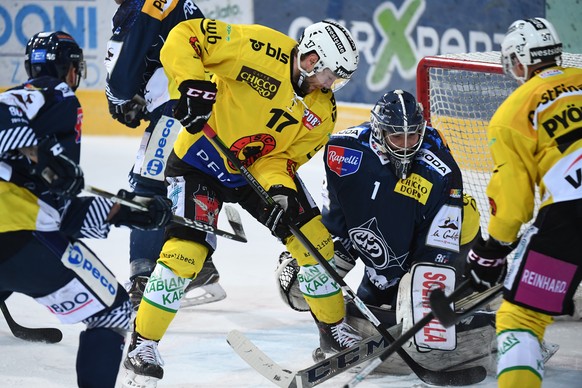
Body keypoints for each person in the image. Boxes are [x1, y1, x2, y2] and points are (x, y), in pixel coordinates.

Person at [120, 18, 359, 386]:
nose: (331, 85)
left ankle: (333, 330)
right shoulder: (259, 48)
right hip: (200, 162)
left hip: (257, 172)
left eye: (338, 80)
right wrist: (190, 85)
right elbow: (185, 37)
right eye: (330, 75)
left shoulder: (323, 111)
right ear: (310, 58)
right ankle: (142, 345)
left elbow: (284, 159)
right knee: (186, 254)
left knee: (317, 244)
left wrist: (279, 189)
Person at [0, 31, 173, 388]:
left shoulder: (41, 126)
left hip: (21, 232)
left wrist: (124, 213)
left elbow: (57, 213)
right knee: (113, 311)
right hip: (15, 233)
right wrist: (39, 155)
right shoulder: (54, 94)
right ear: (69, 68)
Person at [277, 89, 483, 360]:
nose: (407, 144)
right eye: (398, 136)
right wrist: (324, 255)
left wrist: (426, 288)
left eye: (413, 136)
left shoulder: (441, 168)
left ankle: (470, 280)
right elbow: (337, 217)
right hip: (377, 249)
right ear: (379, 132)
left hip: (419, 251)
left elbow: (440, 235)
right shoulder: (343, 150)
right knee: (301, 279)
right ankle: (334, 328)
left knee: (467, 211)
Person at [463, 17, 582, 388]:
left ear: (518, 60)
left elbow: (514, 205)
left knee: (520, 320)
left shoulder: (512, 112)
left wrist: (490, 251)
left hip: (569, 216)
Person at [104, 0, 226, 310]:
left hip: (177, 109)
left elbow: (119, 83)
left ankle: (144, 279)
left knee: (148, 187)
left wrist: (121, 98)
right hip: (217, 107)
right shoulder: (183, 3)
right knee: (190, 182)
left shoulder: (139, 7)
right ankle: (200, 265)